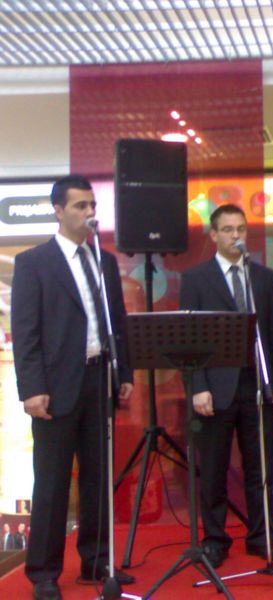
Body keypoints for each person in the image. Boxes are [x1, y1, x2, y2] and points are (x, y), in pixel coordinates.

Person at [11, 175, 135, 600]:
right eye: (80, 206)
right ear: (59, 210)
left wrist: (124, 373)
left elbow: (117, 322)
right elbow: (25, 332)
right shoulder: (34, 263)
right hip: (55, 386)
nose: (89, 213)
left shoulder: (104, 260)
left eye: (91, 205)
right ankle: (43, 571)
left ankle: (97, 560)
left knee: (98, 477)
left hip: (99, 379)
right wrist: (31, 388)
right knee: (52, 482)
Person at [179, 204, 273, 568]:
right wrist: (198, 385)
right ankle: (215, 539)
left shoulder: (262, 277)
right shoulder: (196, 279)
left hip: (257, 385)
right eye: (227, 230)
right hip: (215, 388)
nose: (235, 236)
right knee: (213, 469)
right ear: (214, 235)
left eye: (240, 229)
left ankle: (262, 537)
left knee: (261, 468)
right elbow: (188, 339)